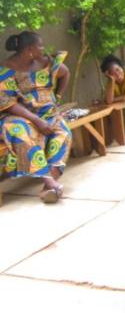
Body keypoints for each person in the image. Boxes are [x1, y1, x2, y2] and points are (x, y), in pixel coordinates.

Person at [0, 31, 71, 203]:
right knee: (20, 131)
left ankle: (48, 189)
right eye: (40, 46)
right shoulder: (5, 69)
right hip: (17, 115)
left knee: (63, 133)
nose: (43, 48)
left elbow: (65, 72)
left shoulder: (45, 62)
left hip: (47, 113)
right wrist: (37, 120)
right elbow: (8, 103)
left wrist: (58, 97)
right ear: (30, 50)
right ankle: (50, 182)